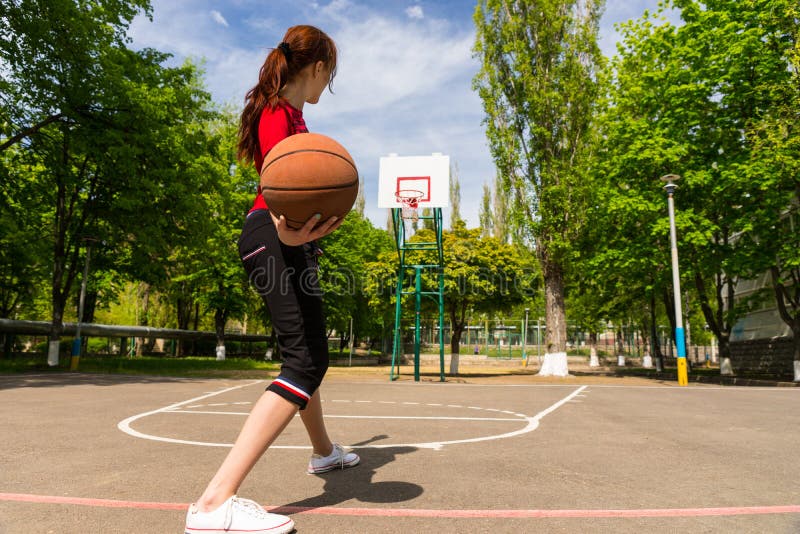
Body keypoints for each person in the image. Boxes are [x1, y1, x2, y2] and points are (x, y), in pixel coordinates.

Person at [185, 25, 359, 534]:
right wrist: (289, 229)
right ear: (320, 68)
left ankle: (323, 453)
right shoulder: (276, 111)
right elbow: (275, 181)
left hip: (290, 240)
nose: (328, 85)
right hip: (274, 234)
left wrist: (302, 233)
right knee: (304, 359)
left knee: (306, 353)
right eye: (330, 75)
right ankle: (215, 502)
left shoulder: (293, 114)